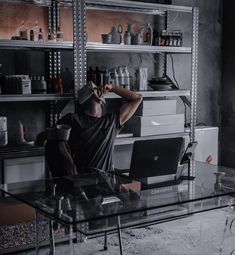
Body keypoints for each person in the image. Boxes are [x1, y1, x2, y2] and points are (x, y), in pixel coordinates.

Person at [36, 81, 142, 176]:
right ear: (100, 100)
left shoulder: (109, 122)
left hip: (95, 185)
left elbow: (40, 138)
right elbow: (137, 98)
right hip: (87, 185)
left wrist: (112, 87)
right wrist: (112, 87)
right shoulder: (109, 122)